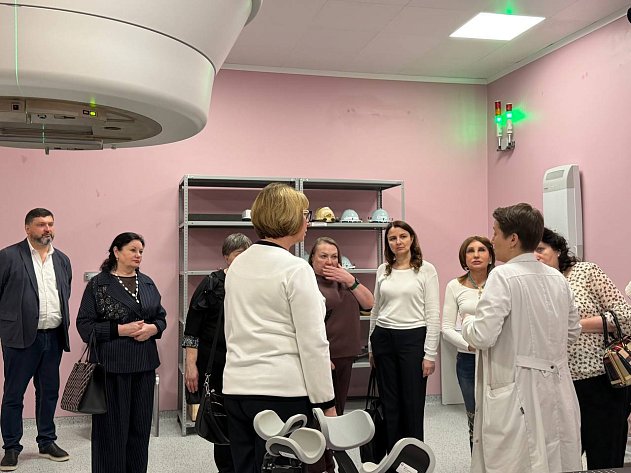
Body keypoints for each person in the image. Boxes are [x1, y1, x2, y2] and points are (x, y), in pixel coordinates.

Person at [222, 183, 336, 473]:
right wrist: (327, 403)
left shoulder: (237, 266)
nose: (308, 221)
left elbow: (232, 328)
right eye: (305, 214)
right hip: (281, 393)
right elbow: (313, 342)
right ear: (289, 218)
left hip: (236, 387)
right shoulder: (296, 268)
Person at [462, 203, 582, 473]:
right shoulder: (557, 278)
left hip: (517, 386)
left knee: (518, 461)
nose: (492, 239)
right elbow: (572, 331)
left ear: (513, 239)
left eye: (495, 233)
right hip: (557, 382)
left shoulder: (502, 275)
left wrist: (467, 321)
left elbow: (482, 335)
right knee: (555, 457)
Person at [536, 227, 631, 469]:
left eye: (541, 249)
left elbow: (626, 316)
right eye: (531, 252)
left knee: (604, 457)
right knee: (560, 459)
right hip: (555, 384)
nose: (536, 256)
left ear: (558, 250)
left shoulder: (585, 272)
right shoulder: (533, 284)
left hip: (600, 379)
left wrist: (575, 326)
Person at [76, 232, 167, 473]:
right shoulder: (99, 285)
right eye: (133, 250)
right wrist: (119, 330)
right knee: (111, 432)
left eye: (141, 251)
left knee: (140, 429)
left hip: (144, 367)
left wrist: (153, 329)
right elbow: (84, 326)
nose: (138, 255)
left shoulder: (147, 282)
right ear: (116, 252)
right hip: (111, 369)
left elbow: (161, 317)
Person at [0, 208, 72, 471]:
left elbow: (65, 293)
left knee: (48, 392)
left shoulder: (61, 260)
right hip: (20, 339)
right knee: (14, 394)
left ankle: (47, 441)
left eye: (50, 224)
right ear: (27, 228)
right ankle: (11, 447)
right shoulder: (8, 256)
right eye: (41, 224)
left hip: (53, 337)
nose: (47, 229)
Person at [183, 233, 252, 473]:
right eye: (238, 254)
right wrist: (191, 365)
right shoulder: (211, 284)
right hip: (218, 365)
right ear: (226, 256)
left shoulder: (255, 283)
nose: (242, 260)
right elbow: (192, 329)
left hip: (248, 364)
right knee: (223, 420)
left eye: (247, 255)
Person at [368, 220, 440, 450]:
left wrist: (430, 354)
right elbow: (376, 309)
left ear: (411, 239)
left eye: (402, 236)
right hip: (383, 338)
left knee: (412, 401)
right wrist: (371, 346)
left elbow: (433, 314)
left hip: (413, 339)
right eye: (392, 238)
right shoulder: (383, 270)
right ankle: (391, 454)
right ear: (387, 243)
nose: (398, 242)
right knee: (389, 401)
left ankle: (413, 455)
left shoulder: (426, 270)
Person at [308, 236, 374, 415]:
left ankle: (335, 434)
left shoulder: (345, 281)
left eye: (334, 256)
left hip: (346, 355)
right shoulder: (309, 282)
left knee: (339, 407)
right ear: (312, 258)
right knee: (325, 411)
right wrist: (322, 357)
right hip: (325, 356)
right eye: (323, 256)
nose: (329, 261)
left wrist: (350, 280)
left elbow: (369, 303)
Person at [441, 236, 495, 452]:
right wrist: (471, 345)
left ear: (490, 256)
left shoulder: (501, 282)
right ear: (464, 258)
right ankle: (477, 462)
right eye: (470, 251)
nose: (476, 255)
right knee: (474, 414)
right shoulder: (454, 286)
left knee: (498, 415)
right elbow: (446, 327)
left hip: (498, 358)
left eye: (481, 250)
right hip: (468, 361)